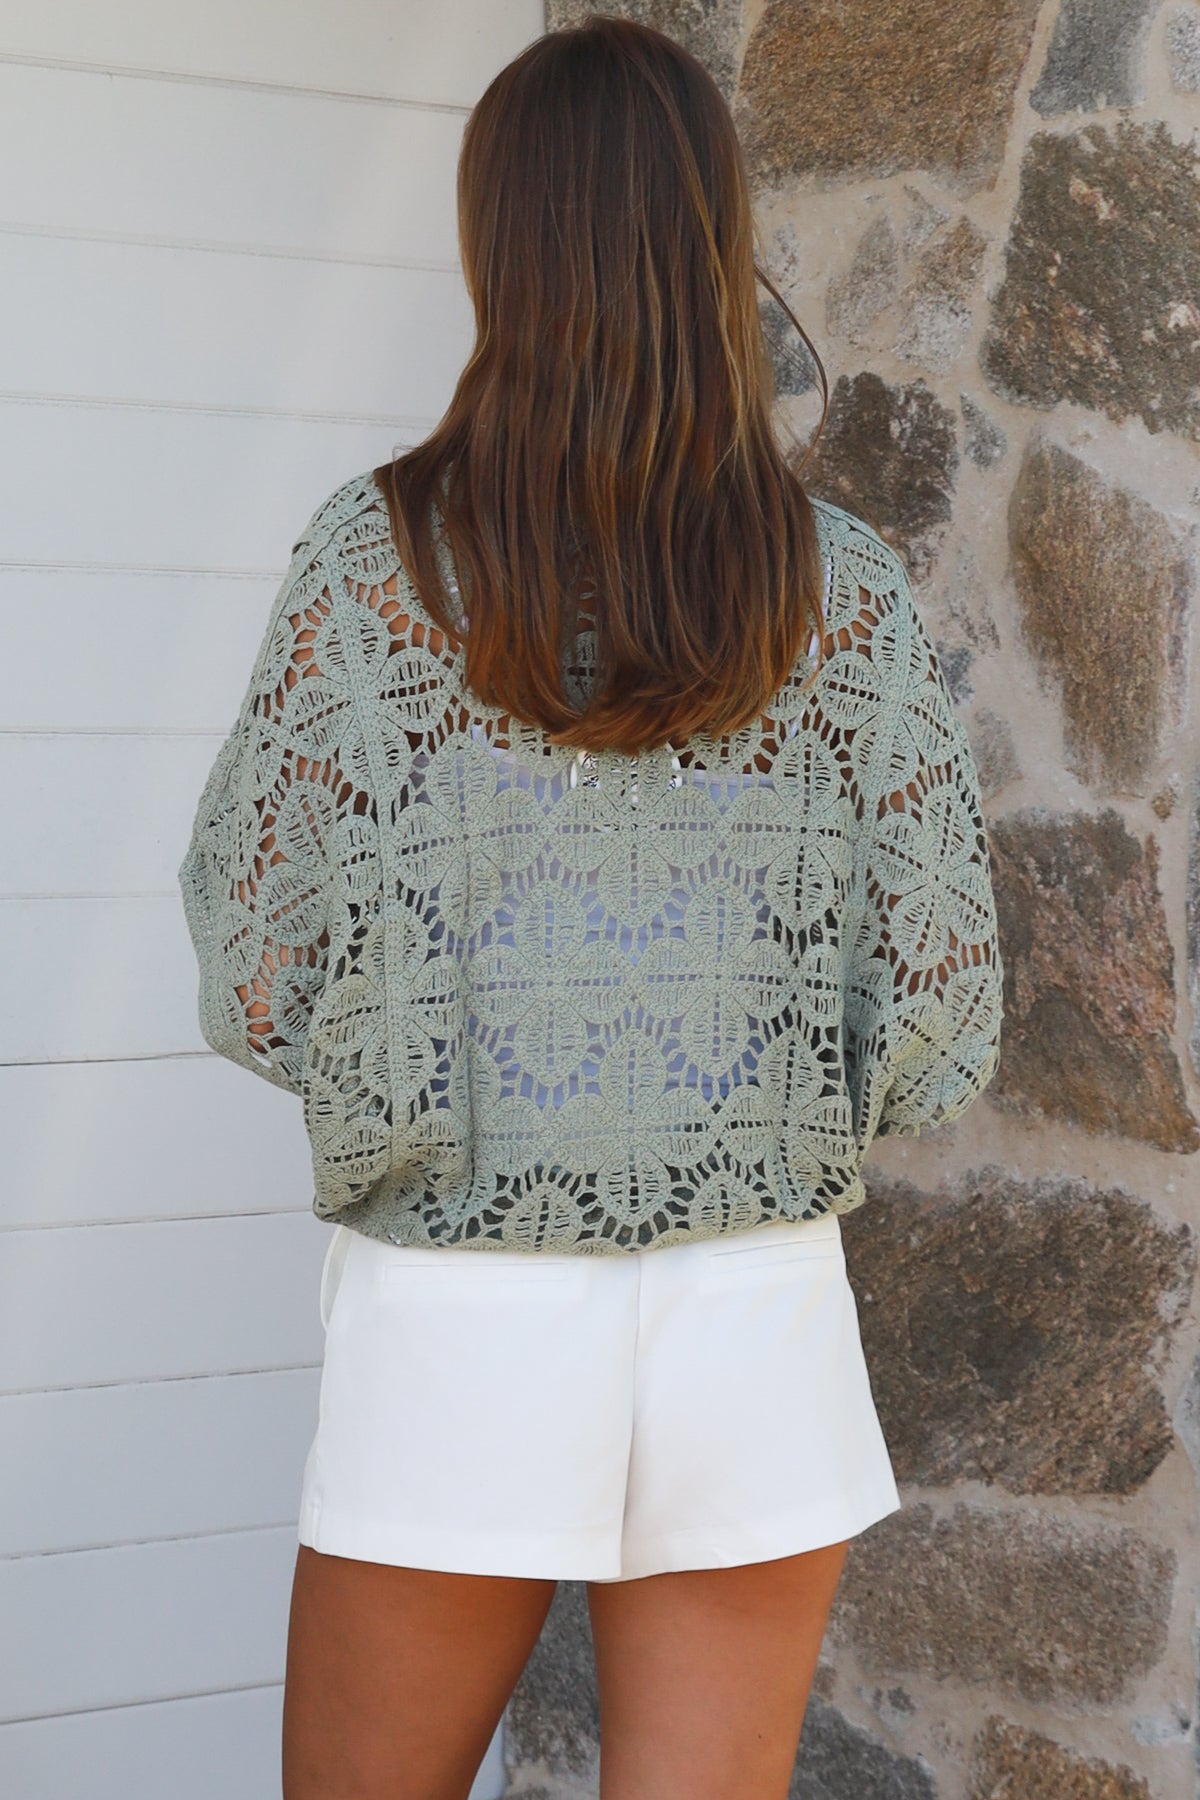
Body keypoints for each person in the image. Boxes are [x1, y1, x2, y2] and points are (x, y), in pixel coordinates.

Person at [178, 15, 1004, 1800]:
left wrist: (436, 1059)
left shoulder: (376, 571)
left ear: (502, 243)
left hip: (462, 1307)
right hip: (755, 1317)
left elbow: (255, 968)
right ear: (715, 243)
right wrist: (745, 1102)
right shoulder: (842, 597)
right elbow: (941, 1017)